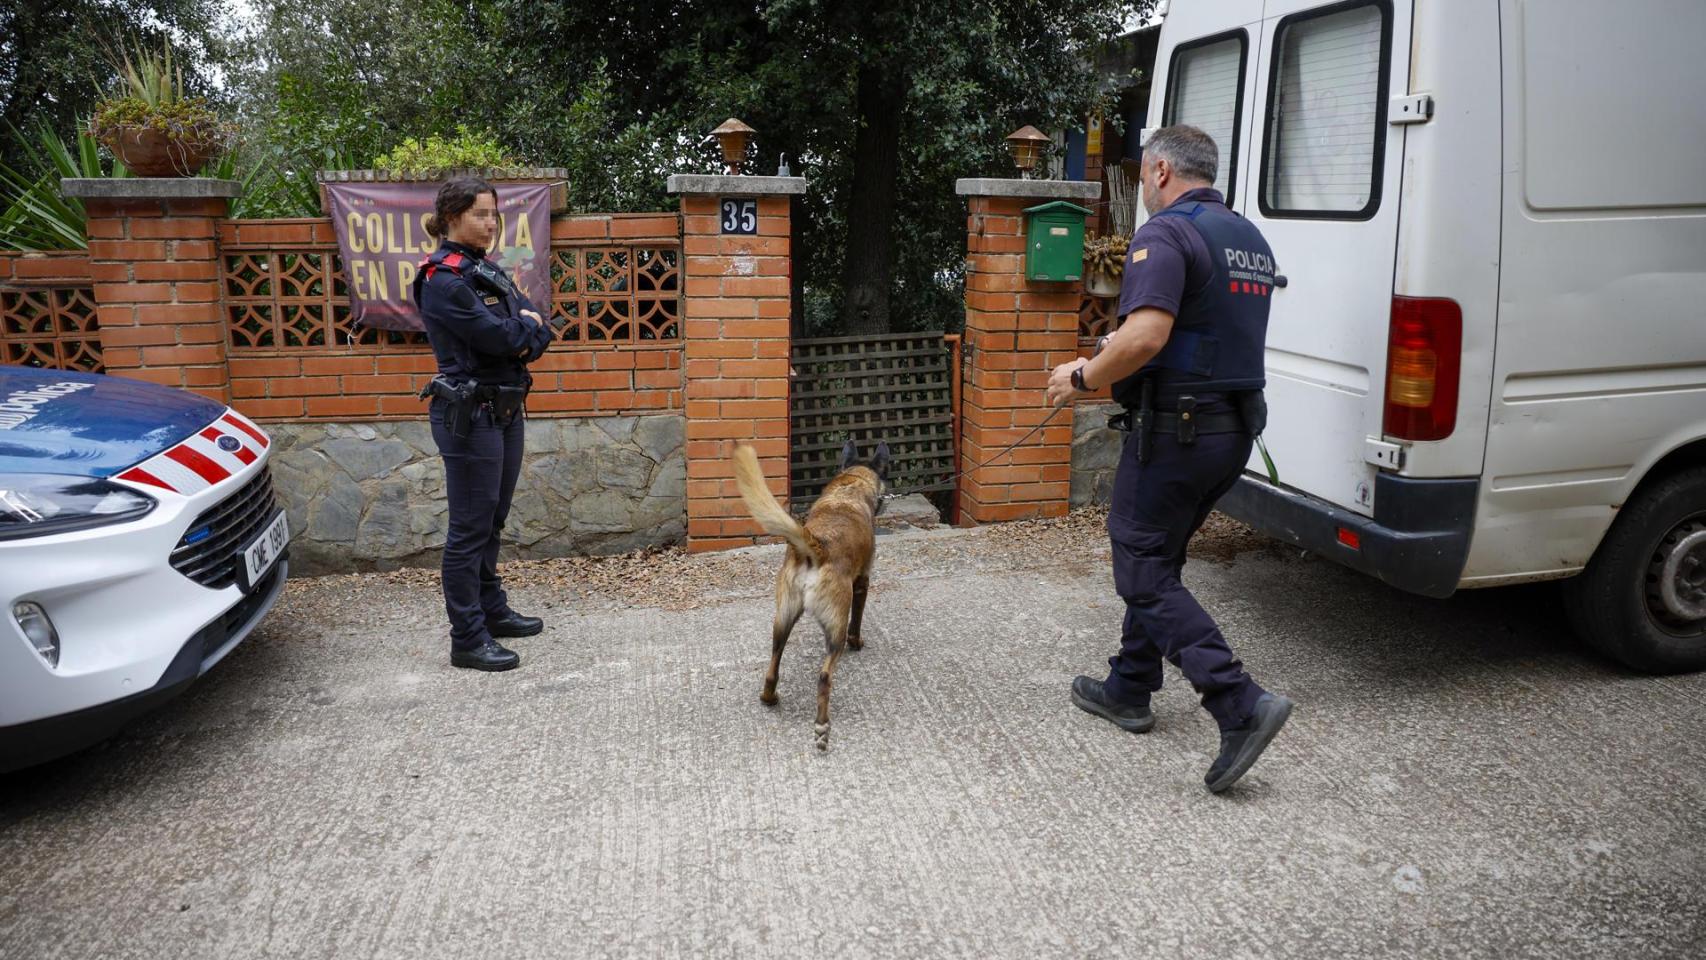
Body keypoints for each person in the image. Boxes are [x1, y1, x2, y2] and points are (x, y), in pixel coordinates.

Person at [1047, 125, 1294, 793]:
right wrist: (1099, 360)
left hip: (1178, 433)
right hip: (1231, 433)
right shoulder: (1247, 237)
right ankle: (1129, 686)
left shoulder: (1165, 234)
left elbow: (1147, 333)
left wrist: (1082, 379)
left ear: (1158, 171)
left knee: (1140, 563)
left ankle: (1238, 704)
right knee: (1160, 555)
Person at [413, 176, 556, 672]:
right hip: (469, 416)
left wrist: (527, 331)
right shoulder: (442, 279)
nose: (491, 223)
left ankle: (491, 611)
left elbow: (539, 326)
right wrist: (525, 330)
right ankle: (467, 637)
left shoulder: (486, 270)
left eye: (494, 214)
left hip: (505, 409)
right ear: (452, 217)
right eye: (480, 214)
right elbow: (500, 337)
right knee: (469, 529)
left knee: (492, 520)